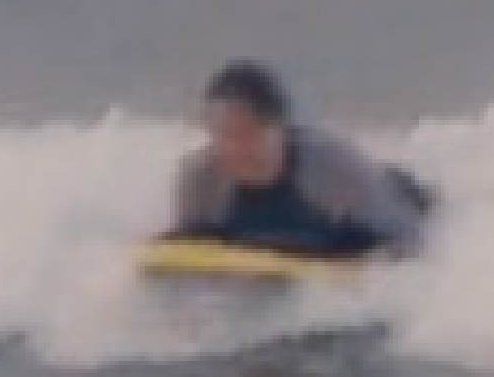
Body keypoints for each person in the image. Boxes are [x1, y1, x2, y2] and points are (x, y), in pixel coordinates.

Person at [167, 62, 435, 261]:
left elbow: (406, 237)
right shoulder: (199, 177)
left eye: (248, 134)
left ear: (279, 128)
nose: (235, 149)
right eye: (223, 135)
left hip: (393, 202)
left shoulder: (329, 167)